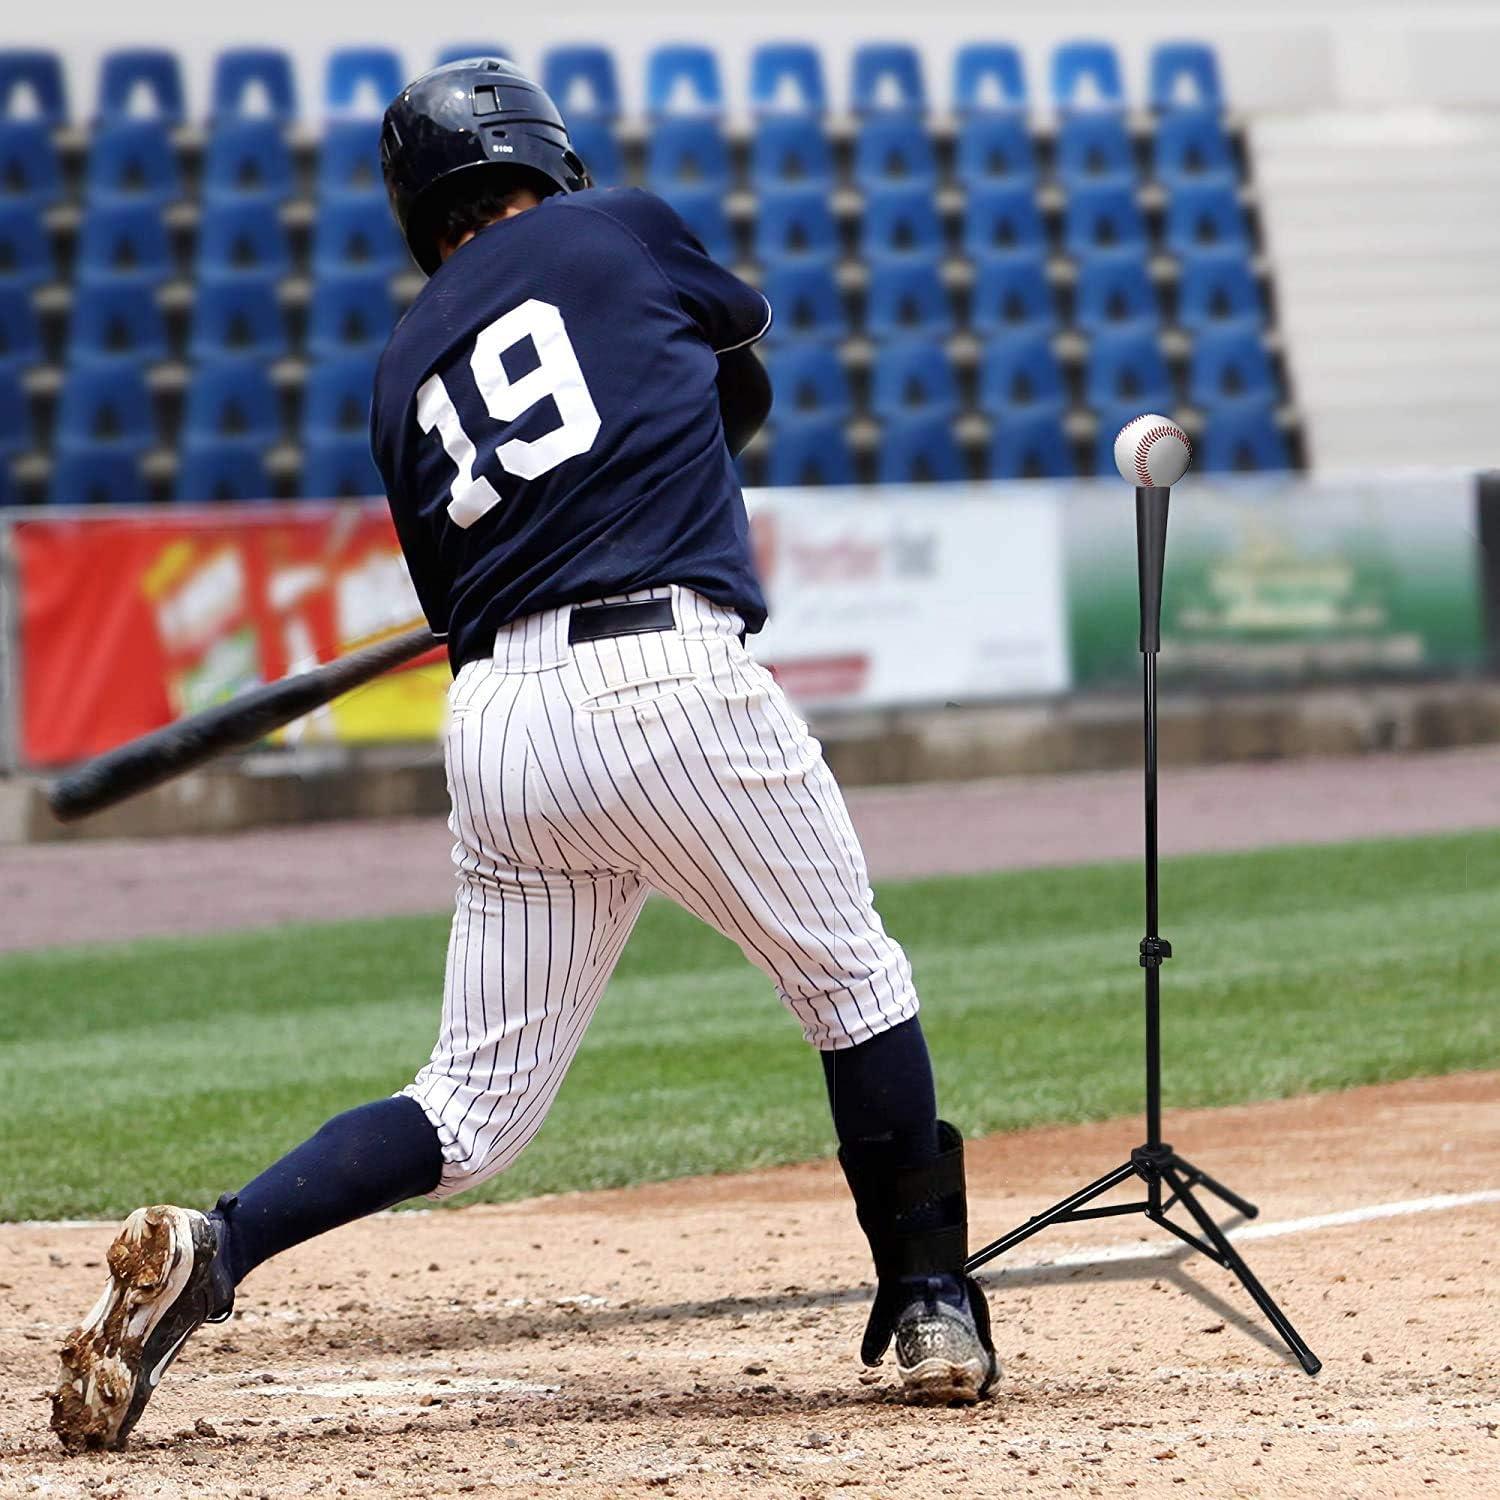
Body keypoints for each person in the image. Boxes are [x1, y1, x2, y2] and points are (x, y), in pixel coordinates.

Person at [51, 57, 998, 1454]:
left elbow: (464, 590)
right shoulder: (618, 224)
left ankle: (223, 1242)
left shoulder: (398, 367)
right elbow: (742, 377)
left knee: (470, 1106)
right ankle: (928, 1299)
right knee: (853, 982)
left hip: (501, 722)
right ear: (542, 158)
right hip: (664, 676)